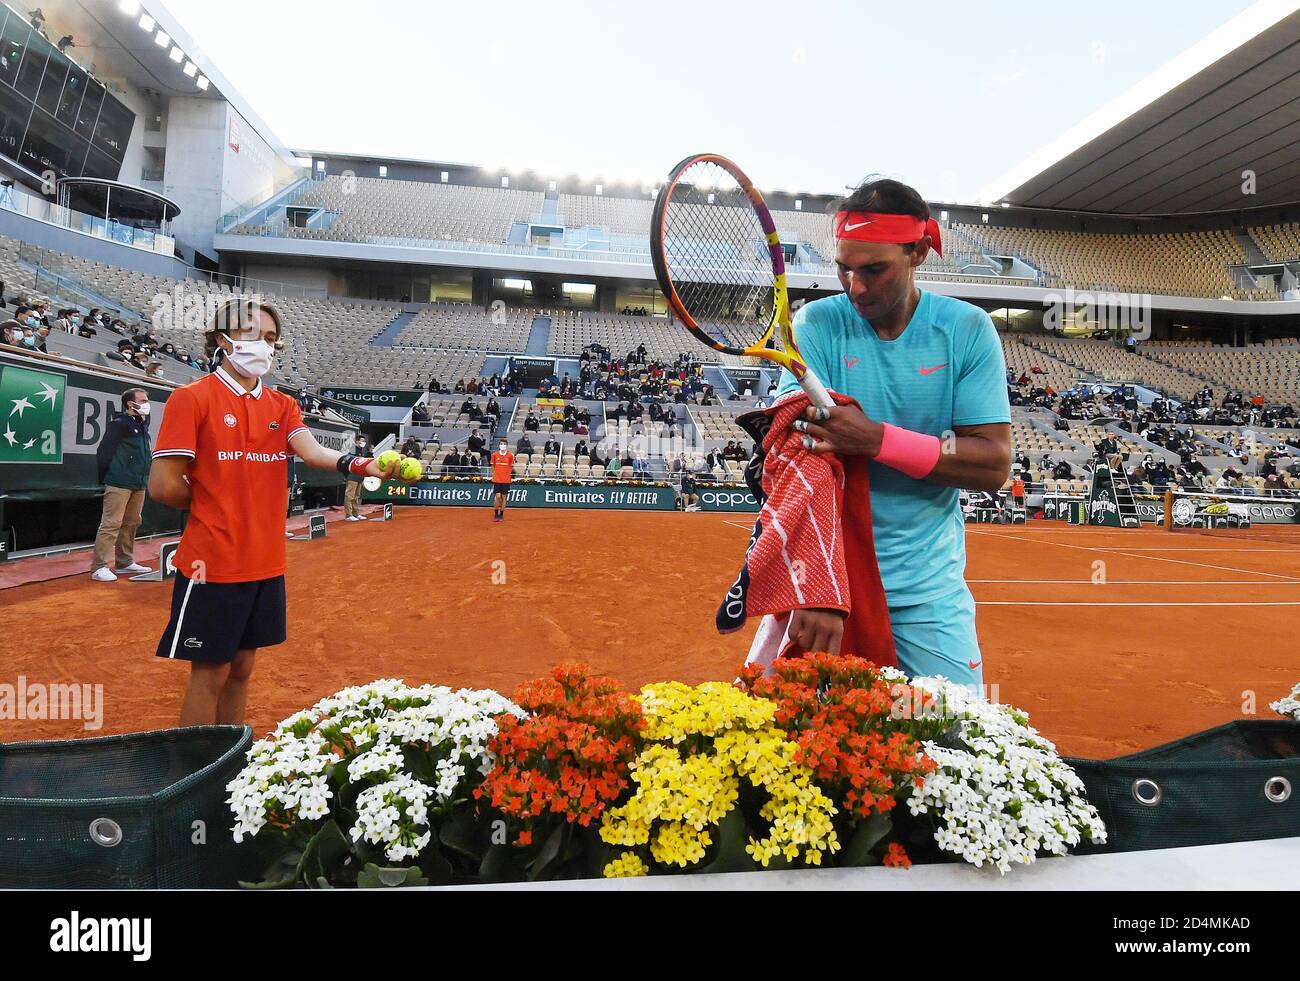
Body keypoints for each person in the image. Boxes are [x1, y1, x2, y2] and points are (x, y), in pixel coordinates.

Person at [781, 177, 1011, 688]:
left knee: (958, 751)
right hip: (831, 585)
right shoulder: (815, 324)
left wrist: (876, 440)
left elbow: (993, 464)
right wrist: (820, 586)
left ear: (919, 254)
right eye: (844, 268)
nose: (855, 286)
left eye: (874, 270)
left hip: (928, 594)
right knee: (812, 759)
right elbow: (796, 459)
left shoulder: (967, 329)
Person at [148, 298, 416, 728]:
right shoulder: (191, 399)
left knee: (241, 670)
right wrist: (219, 506)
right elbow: (162, 486)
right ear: (224, 339)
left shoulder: (282, 405)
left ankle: (232, 766)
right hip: (211, 563)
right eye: (255, 335)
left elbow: (312, 451)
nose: (265, 346)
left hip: (265, 561)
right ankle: (195, 778)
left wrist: (366, 465)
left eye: (271, 339)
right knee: (210, 672)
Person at [90, 388, 155, 582]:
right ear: (130, 404)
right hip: (119, 482)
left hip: (139, 482)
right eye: (142, 400)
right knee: (111, 524)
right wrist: (107, 477)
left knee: (132, 522)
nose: (146, 403)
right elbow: (103, 452)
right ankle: (99, 566)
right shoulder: (119, 424)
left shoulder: (142, 425)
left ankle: (124, 562)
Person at [491, 438, 515, 523]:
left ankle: (501, 514)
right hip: (497, 479)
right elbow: (493, 466)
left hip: (506, 480)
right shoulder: (494, 455)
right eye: (501, 443)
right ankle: (496, 514)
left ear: (507, 445)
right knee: (497, 497)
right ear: (499, 445)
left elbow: (511, 467)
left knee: (504, 497)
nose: (502, 445)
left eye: (504, 444)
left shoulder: (510, 455)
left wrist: (506, 474)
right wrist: (496, 474)